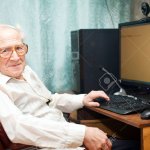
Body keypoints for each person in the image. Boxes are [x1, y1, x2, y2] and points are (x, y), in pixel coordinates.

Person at [0, 24, 140, 150]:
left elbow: (50, 100)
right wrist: (82, 134)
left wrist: (82, 99)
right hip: (48, 145)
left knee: (136, 143)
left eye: (19, 48)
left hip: (68, 137)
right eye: (5, 51)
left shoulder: (26, 71)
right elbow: (17, 127)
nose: (16, 57)